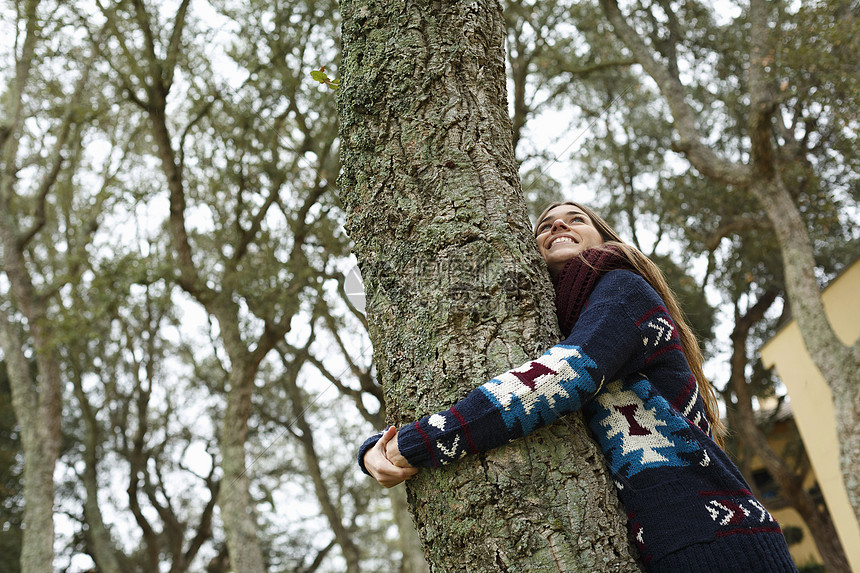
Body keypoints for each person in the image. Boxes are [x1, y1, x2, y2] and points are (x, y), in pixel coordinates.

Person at [358, 202, 798, 572]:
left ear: (602, 238)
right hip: (687, 543)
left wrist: (413, 442)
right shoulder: (577, 319)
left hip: (713, 544)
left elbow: (559, 378)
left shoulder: (621, 289)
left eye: (575, 219)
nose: (559, 226)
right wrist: (374, 446)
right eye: (545, 226)